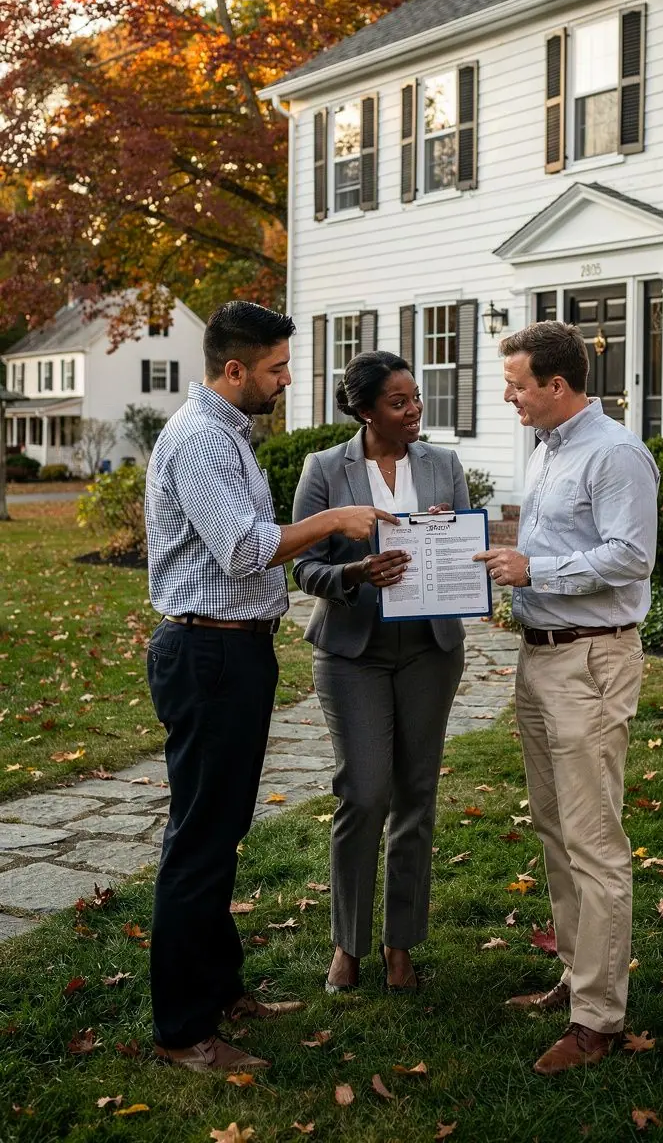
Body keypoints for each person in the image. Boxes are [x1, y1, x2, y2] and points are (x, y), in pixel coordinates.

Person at [144, 303, 397, 1073]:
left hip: (234, 653)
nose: (288, 380)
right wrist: (335, 522)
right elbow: (245, 550)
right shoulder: (200, 442)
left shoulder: (228, 437)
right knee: (199, 842)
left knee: (220, 834)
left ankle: (221, 991)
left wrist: (345, 564)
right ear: (235, 370)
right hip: (207, 655)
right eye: (278, 368)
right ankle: (186, 1031)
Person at [475, 321, 659, 1076]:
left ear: (558, 384)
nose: (510, 396)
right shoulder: (550, 450)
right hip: (541, 659)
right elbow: (553, 546)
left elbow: (629, 556)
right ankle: (579, 978)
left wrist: (533, 571)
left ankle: (600, 1021)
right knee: (555, 832)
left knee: (594, 842)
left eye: (518, 384)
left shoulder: (615, 453)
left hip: (591, 663)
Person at [292, 351, 468, 993]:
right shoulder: (324, 470)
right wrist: (354, 573)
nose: (414, 410)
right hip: (352, 653)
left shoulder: (444, 464)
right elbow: (301, 566)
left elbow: (465, 554)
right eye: (399, 403)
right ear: (365, 411)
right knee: (364, 795)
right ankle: (349, 941)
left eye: (416, 398)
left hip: (430, 649)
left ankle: (401, 945)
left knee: (416, 797)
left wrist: (452, 551)